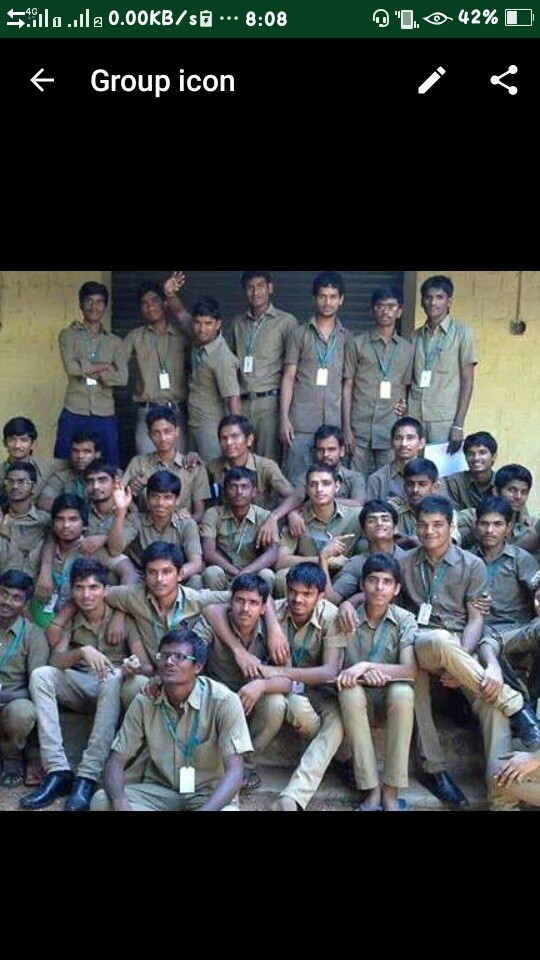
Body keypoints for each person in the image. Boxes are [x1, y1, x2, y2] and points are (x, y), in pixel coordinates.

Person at [399, 494, 540, 807]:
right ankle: (434, 768)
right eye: (423, 525)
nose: (429, 531)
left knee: (491, 701)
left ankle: (500, 797)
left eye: (438, 524)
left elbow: (476, 619)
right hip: (421, 643)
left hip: (461, 646)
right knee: (432, 647)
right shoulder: (404, 563)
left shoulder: (472, 565)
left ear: (451, 527)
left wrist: (458, 661)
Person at [20, 558, 152, 812]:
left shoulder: (122, 618)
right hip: (82, 685)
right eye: (79, 588)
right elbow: (55, 660)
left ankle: (88, 776)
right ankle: (58, 770)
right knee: (41, 675)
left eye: (93, 587)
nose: (86, 594)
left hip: (115, 686)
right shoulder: (73, 617)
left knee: (111, 678)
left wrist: (130, 668)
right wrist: (82, 652)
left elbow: (147, 667)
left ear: (105, 590)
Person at [91, 627, 253, 811]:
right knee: (102, 801)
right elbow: (116, 760)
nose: (169, 662)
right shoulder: (146, 700)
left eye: (179, 657)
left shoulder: (223, 701)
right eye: (164, 655)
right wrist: (120, 803)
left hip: (206, 795)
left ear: (198, 667)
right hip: (159, 792)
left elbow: (235, 771)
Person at [257, 564, 346, 811]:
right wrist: (272, 623)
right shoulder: (274, 610)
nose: (298, 599)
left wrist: (281, 671)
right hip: (284, 691)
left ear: (321, 596)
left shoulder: (331, 616)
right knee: (295, 705)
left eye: (307, 594)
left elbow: (329, 672)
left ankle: (292, 798)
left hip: (320, 690)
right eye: (293, 592)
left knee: (337, 721)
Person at [336, 554, 417, 811]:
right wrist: (361, 675)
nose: (379, 588)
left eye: (387, 582)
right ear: (362, 584)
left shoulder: (405, 619)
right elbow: (334, 670)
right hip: (354, 705)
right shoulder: (344, 617)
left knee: (403, 692)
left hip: (389, 703)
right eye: (373, 580)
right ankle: (371, 790)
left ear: (397, 589)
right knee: (349, 692)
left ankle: (391, 792)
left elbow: (409, 670)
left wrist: (367, 666)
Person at [198, 573, 292, 791]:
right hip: (216, 700)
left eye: (253, 603)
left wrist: (261, 685)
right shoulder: (214, 622)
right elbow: (193, 655)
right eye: (240, 601)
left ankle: (245, 765)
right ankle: (212, 766)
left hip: (251, 700)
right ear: (230, 602)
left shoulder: (273, 630)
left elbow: (288, 680)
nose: (245, 608)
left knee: (276, 704)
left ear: (263, 608)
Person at [104, 541, 230, 668]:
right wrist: (120, 612)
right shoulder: (134, 595)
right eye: (152, 572)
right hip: (153, 673)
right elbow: (100, 593)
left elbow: (236, 597)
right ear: (145, 575)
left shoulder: (197, 599)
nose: (159, 579)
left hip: (189, 674)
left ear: (179, 575)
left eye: (166, 572)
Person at [280, 272, 350, 486]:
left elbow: (348, 384)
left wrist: (347, 427)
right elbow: (289, 377)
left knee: (328, 484)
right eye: (322, 296)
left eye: (333, 296)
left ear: (341, 300)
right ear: (314, 298)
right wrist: (284, 418)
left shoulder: (348, 338)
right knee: (296, 481)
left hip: (333, 425)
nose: (327, 302)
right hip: (300, 424)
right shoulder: (298, 334)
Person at [54, 280, 127, 467]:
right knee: (63, 463)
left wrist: (85, 368)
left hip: (105, 413)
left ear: (105, 306)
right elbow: (71, 368)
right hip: (74, 409)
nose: (94, 307)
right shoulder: (68, 335)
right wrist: (105, 366)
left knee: (109, 465)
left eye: (99, 302)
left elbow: (122, 378)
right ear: (81, 304)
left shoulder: (115, 342)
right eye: (89, 301)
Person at [342, 285, 414, 476]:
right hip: (359, 427)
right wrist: (346, 428)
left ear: (399, 311)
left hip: (390, 428)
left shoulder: (407, 349)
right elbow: (347, 386)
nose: (385, 311)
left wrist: (403, 406)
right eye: (380, 306)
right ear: (372, 309)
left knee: (389, 480)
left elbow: (405, 387)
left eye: (391, 307)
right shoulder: (356, 344)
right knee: (355, 479)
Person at [231, 271, 298, 463]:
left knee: (267, 463)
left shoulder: (286, 322)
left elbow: (292, 370)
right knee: (240, 461)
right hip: (242, 403)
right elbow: (231, 366)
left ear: (270, 288)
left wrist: (285, 416)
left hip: (270, 404)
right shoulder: (237, 323)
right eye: (250, 287)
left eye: (260, 286)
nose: (255, 292)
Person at [207, 415, 302, 546]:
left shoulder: (265, 466)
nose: (229, 442)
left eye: (235, 437)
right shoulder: (214, 467)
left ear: (249, 440)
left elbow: (294, 497)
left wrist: (274, 517)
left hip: (261, 529)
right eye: (224, 438)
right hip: (227, 531)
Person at [407, 275, 477, 452]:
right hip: (414, 416)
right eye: (428, 297)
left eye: (439, 297)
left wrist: (458, 425)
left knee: (441, 468)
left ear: (449, 301)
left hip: (444, 420)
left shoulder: (462, 333)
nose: (433, 303)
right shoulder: (414, 337)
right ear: (421, 302)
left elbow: (468, 381)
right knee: (414, 467)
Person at [123, 279, 190, 455]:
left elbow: (200, 335)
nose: (150, 307)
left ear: (165, 304)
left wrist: (172, 295)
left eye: (154, 301)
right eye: (145, 304)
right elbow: (115, 362)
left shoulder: (182, 335)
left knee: (178, 465)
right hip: (147, 412)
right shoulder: (135, 337)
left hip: (176, 412)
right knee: (147, 465)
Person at [275, 464, 362, 597]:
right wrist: (322, 560)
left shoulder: (356, 516)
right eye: (313, 484)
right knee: (282, 577)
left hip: (341, 578)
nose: (319, 489)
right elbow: (280, 561)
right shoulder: (298, 520)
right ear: (306, 489)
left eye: (326, 483)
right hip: (306, 580)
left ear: (337, 487)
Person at [107, 471, 203, 587]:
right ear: (147, 498)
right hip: (144, 579)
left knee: (196, 580)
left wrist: (171, 576)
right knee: (113, 577)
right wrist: (120, 513)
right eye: (155, 497)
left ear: (177, 500)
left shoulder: (187, 524)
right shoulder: (135, 521)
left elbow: (196, 563)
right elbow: (114, 551)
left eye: (167, 497)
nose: (160, 503)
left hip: (176, 580)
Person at [0, 570, 48, 788]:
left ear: (25, 604)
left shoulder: (33, 635)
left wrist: (4, 696)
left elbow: (37, 685)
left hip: (13, 701)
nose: (6, 601)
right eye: (3, 593)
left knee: (22, 712)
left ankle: (11, 759)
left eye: (16, 598)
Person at [122, 406, 210, 521]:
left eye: (167, 431)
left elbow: (200, 514)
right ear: (149, 435)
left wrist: (187, 520)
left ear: (177, 432)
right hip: (146, 527)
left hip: (181, 527)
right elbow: (120, 494)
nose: (163, 438)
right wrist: (135, 512)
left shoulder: (193, 465)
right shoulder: (138, 463)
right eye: (156, 433)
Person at [200, 467, 279, 591]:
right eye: (233, 487)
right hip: (225, 572)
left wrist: (245, 573)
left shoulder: (264, 516)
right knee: (211, 573)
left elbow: (272, 553)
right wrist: (236, 573)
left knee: (267, 575)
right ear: (225, 491)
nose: (239, 492)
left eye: (244, 487)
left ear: (254, 492)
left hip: (253, 574)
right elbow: (209, 552)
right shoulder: (213, 514)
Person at [325, 499, 407, 608]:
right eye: (371, 520)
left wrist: (363, 597)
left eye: (385, 519)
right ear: (363, 531)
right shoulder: (356, 564)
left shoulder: (409, 559)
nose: (379, 523)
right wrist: (323, 558)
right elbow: (331, 600)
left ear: (395, 528)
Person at [187, 296, 241, 461]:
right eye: (198, 323)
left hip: (211, 428)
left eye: (208, 323)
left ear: (218, 324)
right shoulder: (198, 343)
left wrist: (237, 434)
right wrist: (170, 294)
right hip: (193, 423)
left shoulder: (222, 357)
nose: (202, 329)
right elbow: (180, 314)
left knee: (213, 471)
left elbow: (233, 397)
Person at [458, 464, 537, 549]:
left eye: (524, 492)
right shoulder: (471, 517)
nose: (518, 496)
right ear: (495, 491)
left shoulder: (532, 526)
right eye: (512, 490)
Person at [293, 424, 366, 506]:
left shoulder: (354, 478)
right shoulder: (304, 478)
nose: (325, 454)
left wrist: (322, 500)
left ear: (342, 451)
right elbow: (296, 500)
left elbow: (358, 504)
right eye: (320, 450)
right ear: (314, 452)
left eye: (331, 449)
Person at [0, 462, 51, 578]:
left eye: (22, 482)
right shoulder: (2, 518)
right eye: (10, 481)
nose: (15, 486)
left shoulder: (45, 520)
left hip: (35, 582)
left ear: (33, 487)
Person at [0, 416, 63, 500]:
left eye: (23, 440)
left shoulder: (48, 466)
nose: (17, 445)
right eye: (12, 440)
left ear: (33, 444)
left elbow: (73, 463)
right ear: (5, 443)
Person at [366, 416, 426, 502]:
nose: (404, 444)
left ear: (421, 443)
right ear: (391, 443)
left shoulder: (432, 476)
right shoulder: (377, 479)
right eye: (398, 438)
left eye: (410, 438)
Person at [37, 431, 101, 511]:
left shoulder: (109, 477)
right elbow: (43, 502)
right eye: (75, 451)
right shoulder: (62, 477)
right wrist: (74, 511)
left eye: (86, 451)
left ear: (97, 454)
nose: (80, 456)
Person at [445, 431, 498, 510]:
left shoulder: (502, 483)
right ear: (465, 457)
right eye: (471, 454)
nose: (476, 458)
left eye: (482, 453)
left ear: (493, 456)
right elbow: (451, 515)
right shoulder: (454, 483)